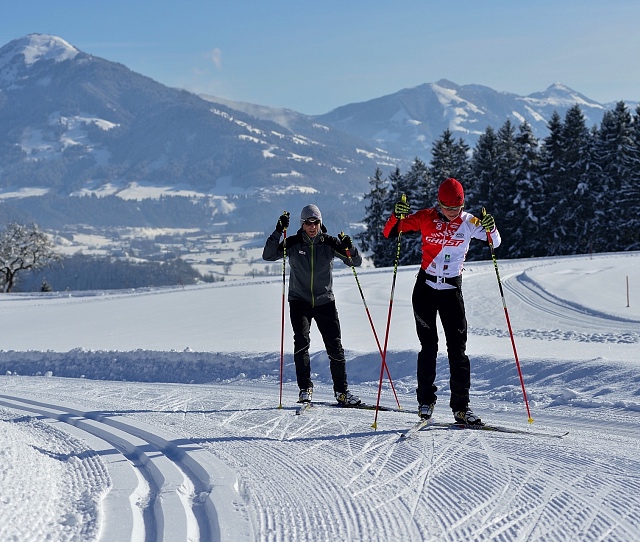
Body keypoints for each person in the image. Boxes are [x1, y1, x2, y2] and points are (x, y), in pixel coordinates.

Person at [382, 178, 500, 425]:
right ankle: (426, 401)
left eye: (456, 209)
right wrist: (395, 215)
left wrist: (491, 226)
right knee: (429, 347)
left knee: (458, 350)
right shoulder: (426, 217)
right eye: (447, 208)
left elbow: (494, 241)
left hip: (451, 291)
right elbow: (390, 232)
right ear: (439, 203)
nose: (451, 213)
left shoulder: (469, 222)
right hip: (425, 289)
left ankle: (461, 407)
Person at [263, 204, 363, 406]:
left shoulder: (330, 243)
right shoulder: (293, 243)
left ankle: (342, 392)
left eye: (316, 222)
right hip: (299, 301)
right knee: (301, 343)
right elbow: (268, 254)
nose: (312, 226)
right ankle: (305, 389)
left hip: (325, 301)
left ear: (320, 223)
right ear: (302, 224)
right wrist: (277, 231)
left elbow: (355, 261)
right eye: (308, 222)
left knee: (335, 347)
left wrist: (349, 247)